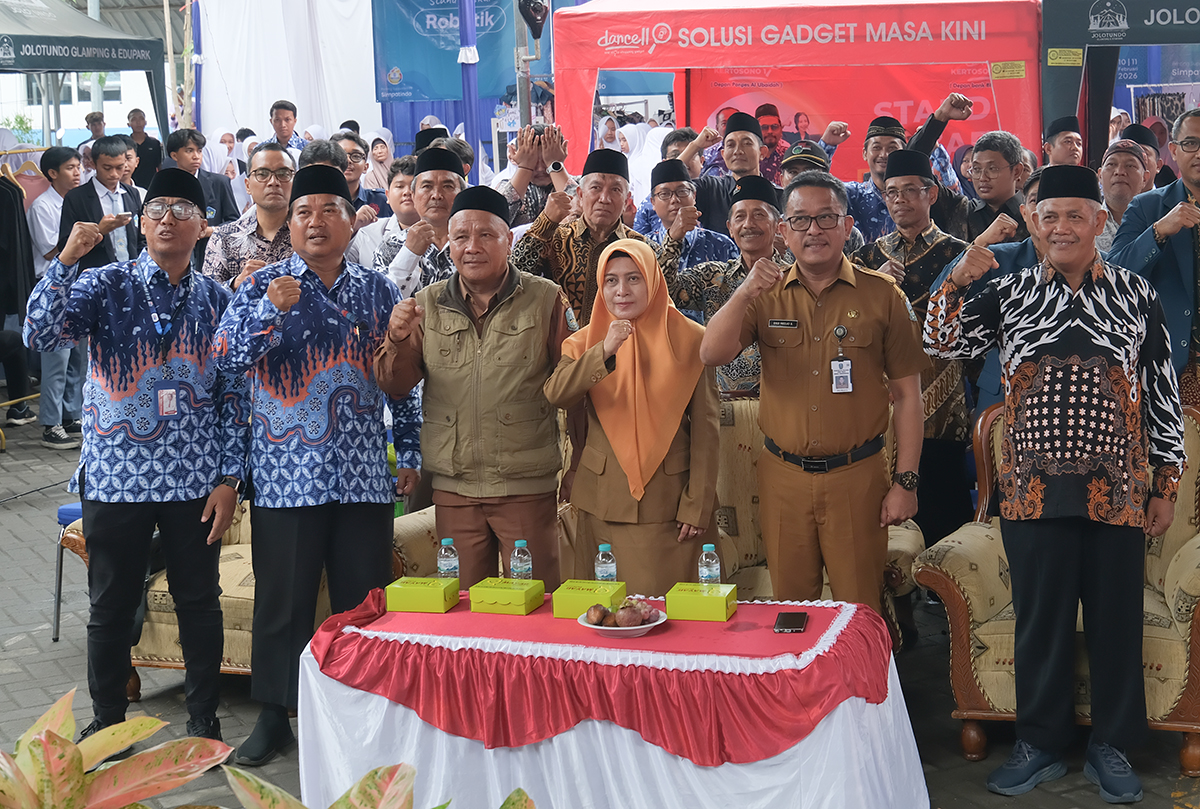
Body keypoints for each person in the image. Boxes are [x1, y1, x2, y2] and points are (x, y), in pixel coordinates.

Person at [925, 164, 1184, 804]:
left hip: (1118, 491)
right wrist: (959, 274)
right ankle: (1040, 742)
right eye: (1049, 217)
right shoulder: (1009, 294)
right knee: (1040, 622)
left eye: (1075, 215)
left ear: (1100, 222)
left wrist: (1166, 481)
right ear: (1035, 225)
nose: (1061, 227)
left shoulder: (1133, 293)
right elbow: (938, 338)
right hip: (1029, 491)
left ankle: (1114, 745)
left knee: (1114, 620)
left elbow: (1161, 390)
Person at [25, 167, 250, 746]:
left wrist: (230, 478)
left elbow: (233, 398)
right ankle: (107, 724)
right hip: (115, 479)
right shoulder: (105, 285)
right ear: (142, 223)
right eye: (156, 209)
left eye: (182, 209)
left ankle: (203, 719)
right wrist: (67, 260)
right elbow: (40, 334)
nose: (167, 218)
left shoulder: (219, 301)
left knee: (199, 601)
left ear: (203, 228)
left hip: (194, 483)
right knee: (109, 606)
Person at [214, 165, 409, 766]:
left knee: (362, 601)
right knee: (284, 602)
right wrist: (269, 310)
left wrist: (412, 448)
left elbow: (403, 377)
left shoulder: (378, 290)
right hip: (285, 474)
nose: (315, 221)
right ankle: (274, 717)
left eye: (330, 209)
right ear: (290, 225)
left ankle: (361, 712)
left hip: (361, 476)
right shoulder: (261, 285)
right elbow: (224, 362)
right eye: (304, 212)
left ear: (353, 222)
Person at [699, 171, 928, 612]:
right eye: (800, 220)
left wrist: (906, 481)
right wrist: (746, 290)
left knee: (860, 612)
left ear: (847, 226)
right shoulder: (763, 296)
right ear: (783, 232)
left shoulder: (882, 296)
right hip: (783, 477)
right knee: (793, 613)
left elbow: (908, 396)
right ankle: (799, 685)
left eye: (827, 218)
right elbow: (711, 352)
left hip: (856, 478)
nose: (814, 231)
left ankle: (863, 686)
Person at [375, 185, 570, 589]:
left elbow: (576, 385)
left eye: (486, 235)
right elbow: (395, 385)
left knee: (534, 604)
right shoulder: (425, 304)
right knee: (462, 609)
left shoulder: (545, 299)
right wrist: (394, 339)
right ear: (448, 243)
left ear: (509, 240)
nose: (472, 247)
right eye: (461, 236)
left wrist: (580, 463)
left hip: (524, 486)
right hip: (454, 490)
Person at [545, 239, 719, 596]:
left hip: (669, 507)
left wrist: (697, 505)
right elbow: (557, 393)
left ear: (653, 281)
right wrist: (604, 351)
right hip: (602, 506)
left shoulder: (692, 340)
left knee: (668, 627)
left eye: (633, 279)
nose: (621, 291)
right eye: (611, 280)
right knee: (604, 623)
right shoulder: (584, 343)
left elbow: (707, 429)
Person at [850, 150, 972, 549]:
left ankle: (944, 595)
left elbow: (973, 325)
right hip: (883, 398)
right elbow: (846, 321)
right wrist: (872, 284)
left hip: (942, 398)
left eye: (909, 191)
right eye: (891, 192)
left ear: (931, 194)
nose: (899, 199)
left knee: (942, 499)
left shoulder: (959, 253)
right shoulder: (866, 258)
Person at [510, 148, 684, 324]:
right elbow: (513, 277)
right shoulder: (556, 238)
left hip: (624, 347)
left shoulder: (640, 247)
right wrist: (545, 222)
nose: (604, 198)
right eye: (596, 188)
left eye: (615, 190)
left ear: (626, 200)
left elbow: (667, 293)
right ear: (580, 194)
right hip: (563, 347)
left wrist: (675, 239)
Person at [934, 169, 1046, 413]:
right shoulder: (998, 258)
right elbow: (941, 314)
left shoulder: (1100, 266)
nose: (1046, 211)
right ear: (1025, 212)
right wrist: (979, 244)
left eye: (1057, 199)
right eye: (1037, 200)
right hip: (1001, 398)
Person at [1109, 108, 1200, 392]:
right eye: (1191, 143)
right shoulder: (1148, 207)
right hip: (1171, 365)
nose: (1199, 152)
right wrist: (1159, 232)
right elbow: (1114, 275)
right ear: (1173, 150)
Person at [666, 175, 784, 392]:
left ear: (778, 225)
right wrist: (674, 239)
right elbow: (664, 292)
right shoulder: (713, 276)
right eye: (740, 217)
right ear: (730, 227)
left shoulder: (793, 276)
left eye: (759, 215)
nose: (748, 224)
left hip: (783, 405)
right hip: (725, 410)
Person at [26, 146, 85, 448]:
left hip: (79, 287)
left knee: (78, 358)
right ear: (52, 173)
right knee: (56, 361)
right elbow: (52, 251)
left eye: (78, 166)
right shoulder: (42, 207)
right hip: (52, 289)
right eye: (70, 168)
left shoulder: (76, 201)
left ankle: (71, 414)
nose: (78, 172)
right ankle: (50, 422)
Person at [374, 147, 465, 298]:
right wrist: (409, 253)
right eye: (427, 186)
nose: (436, 195)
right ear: (414, 196)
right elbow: (382, 303)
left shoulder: (474, 245)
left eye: (447, 186)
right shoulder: (391, 247)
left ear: (461, 194)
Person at [202, 142, 296, 289]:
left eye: (283, 174)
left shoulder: (310, 236)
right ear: (247, 185)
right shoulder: (224, 238)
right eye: (262, 174)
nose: (273, 182)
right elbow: (208, 300)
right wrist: (236, 284)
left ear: (294, 182)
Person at [57, 136, 145, 273]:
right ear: (93, 164)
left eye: (119, 167)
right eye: (107, 168)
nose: (114, 174)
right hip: (95, 275)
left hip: (132, 273)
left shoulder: (132, 194)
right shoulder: (76, 198)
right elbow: (64, 245)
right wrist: (99, 230)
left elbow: (141, 237)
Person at [644, 159, 736, 283]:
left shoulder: (721, 244)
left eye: (682, 191)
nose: (674, 199)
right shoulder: (643, 247)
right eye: (665, 194)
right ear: (653, 203)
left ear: (694, 196)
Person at [165, 129, 239, 266]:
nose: (196, 156)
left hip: (211, 255)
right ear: (174, 156)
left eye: (199, 151)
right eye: (189, 151)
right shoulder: (166, 184)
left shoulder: (219, 182)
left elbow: (234, 222)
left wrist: (211, 230)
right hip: (176, 256)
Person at [497, 124, 575, 227]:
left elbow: (582, 215)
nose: (540, 169)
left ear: (563, 153)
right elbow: (495, 220)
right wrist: (524, 167)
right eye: (533, 161)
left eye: (545, 161)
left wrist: (554, 165)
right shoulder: (505, 186)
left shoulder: (580, 185)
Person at [347, 156, 417, 266]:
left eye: (414, 186)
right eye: (400, 186)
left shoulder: (440, 235)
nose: (407, 192)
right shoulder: (367, 233)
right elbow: (339, 267)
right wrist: (352, 227)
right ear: (387, 196)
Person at [632, 127, 702, 234]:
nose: (685, 162)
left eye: (691, 154)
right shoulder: (650, 204)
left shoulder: (716, 190)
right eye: (675, 155)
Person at [332, 130, 393, 233]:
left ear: (366, 167)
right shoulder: (322, 204)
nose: (348, 161)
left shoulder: (382, 200)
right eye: (341, 156)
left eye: (355, 156)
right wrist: (354, 225)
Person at [1096, 139, 1149, 253]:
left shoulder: (1156, 222)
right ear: (1100, 175)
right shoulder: (1088, 222)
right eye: (1111, 164)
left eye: (1130, 165)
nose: (1119, 171)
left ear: (1145, 178)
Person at [1120, 123, 1166, 194]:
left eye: (1144, 153)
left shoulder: (1171, 203)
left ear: (1158, 165)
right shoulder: (1105, 203)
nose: (1135, 160)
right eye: (1129, 153)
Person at [127, 109, 161, 190]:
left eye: (141, 119)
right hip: (131, 185)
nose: (138, 122)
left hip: (151, 185)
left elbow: (159, 165)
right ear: (129, 124)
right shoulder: (125, 144)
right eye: (134, 119)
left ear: (145, 122)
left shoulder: (154, 143)